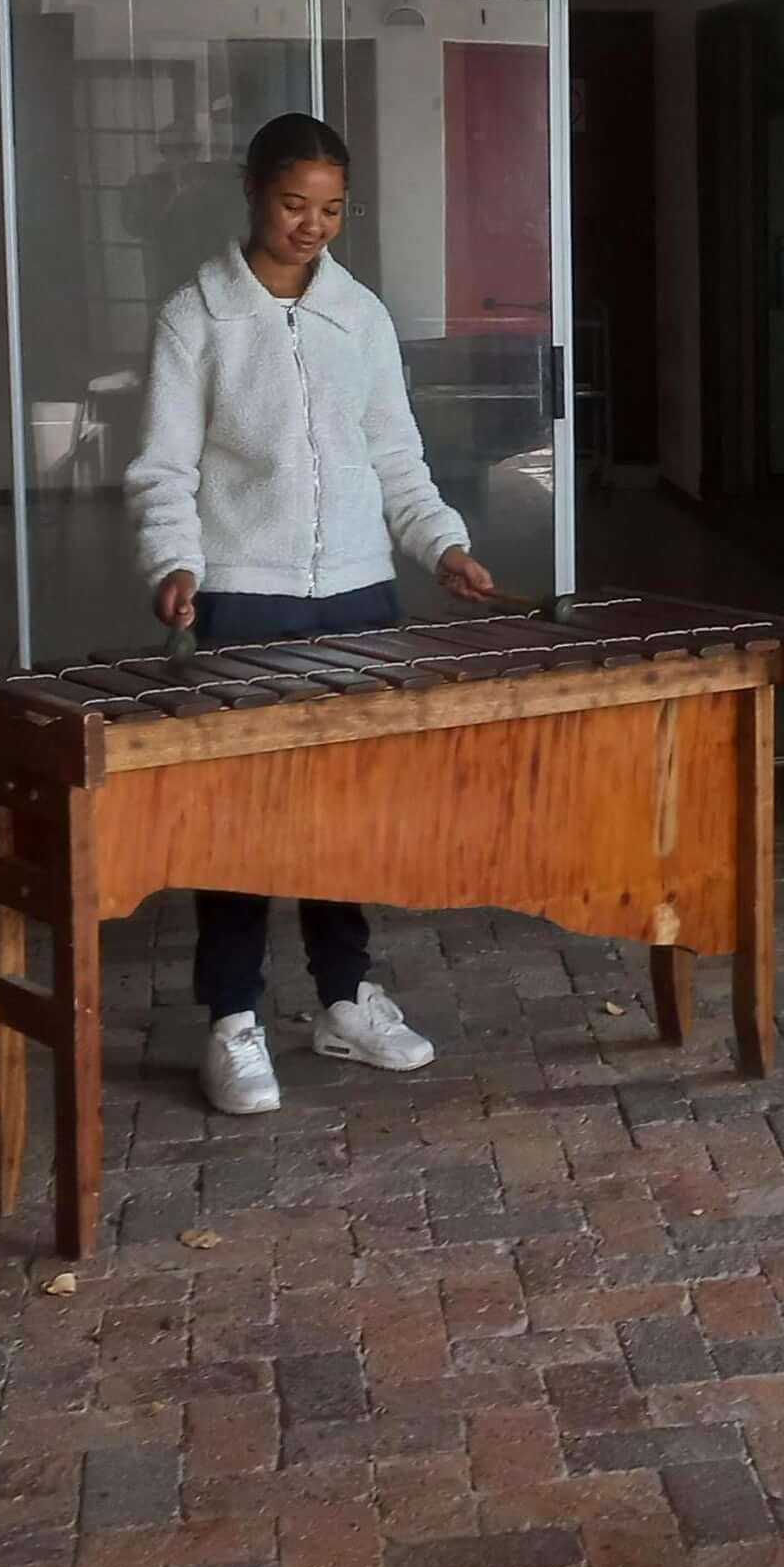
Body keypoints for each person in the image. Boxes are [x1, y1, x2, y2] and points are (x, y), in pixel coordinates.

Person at [128, 113, 497, 1117]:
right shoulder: (196, 316)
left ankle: (345, 997)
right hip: (245, 597)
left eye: (331, 210)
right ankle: (232, 1018)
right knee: (239, 815)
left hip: (358, 597)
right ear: (253, 191)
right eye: (294, 204)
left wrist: (441, 544)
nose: (312, 226)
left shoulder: (358, 317)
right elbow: (164, 468)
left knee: (347, 810)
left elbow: (396, 458)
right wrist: (175, 561)